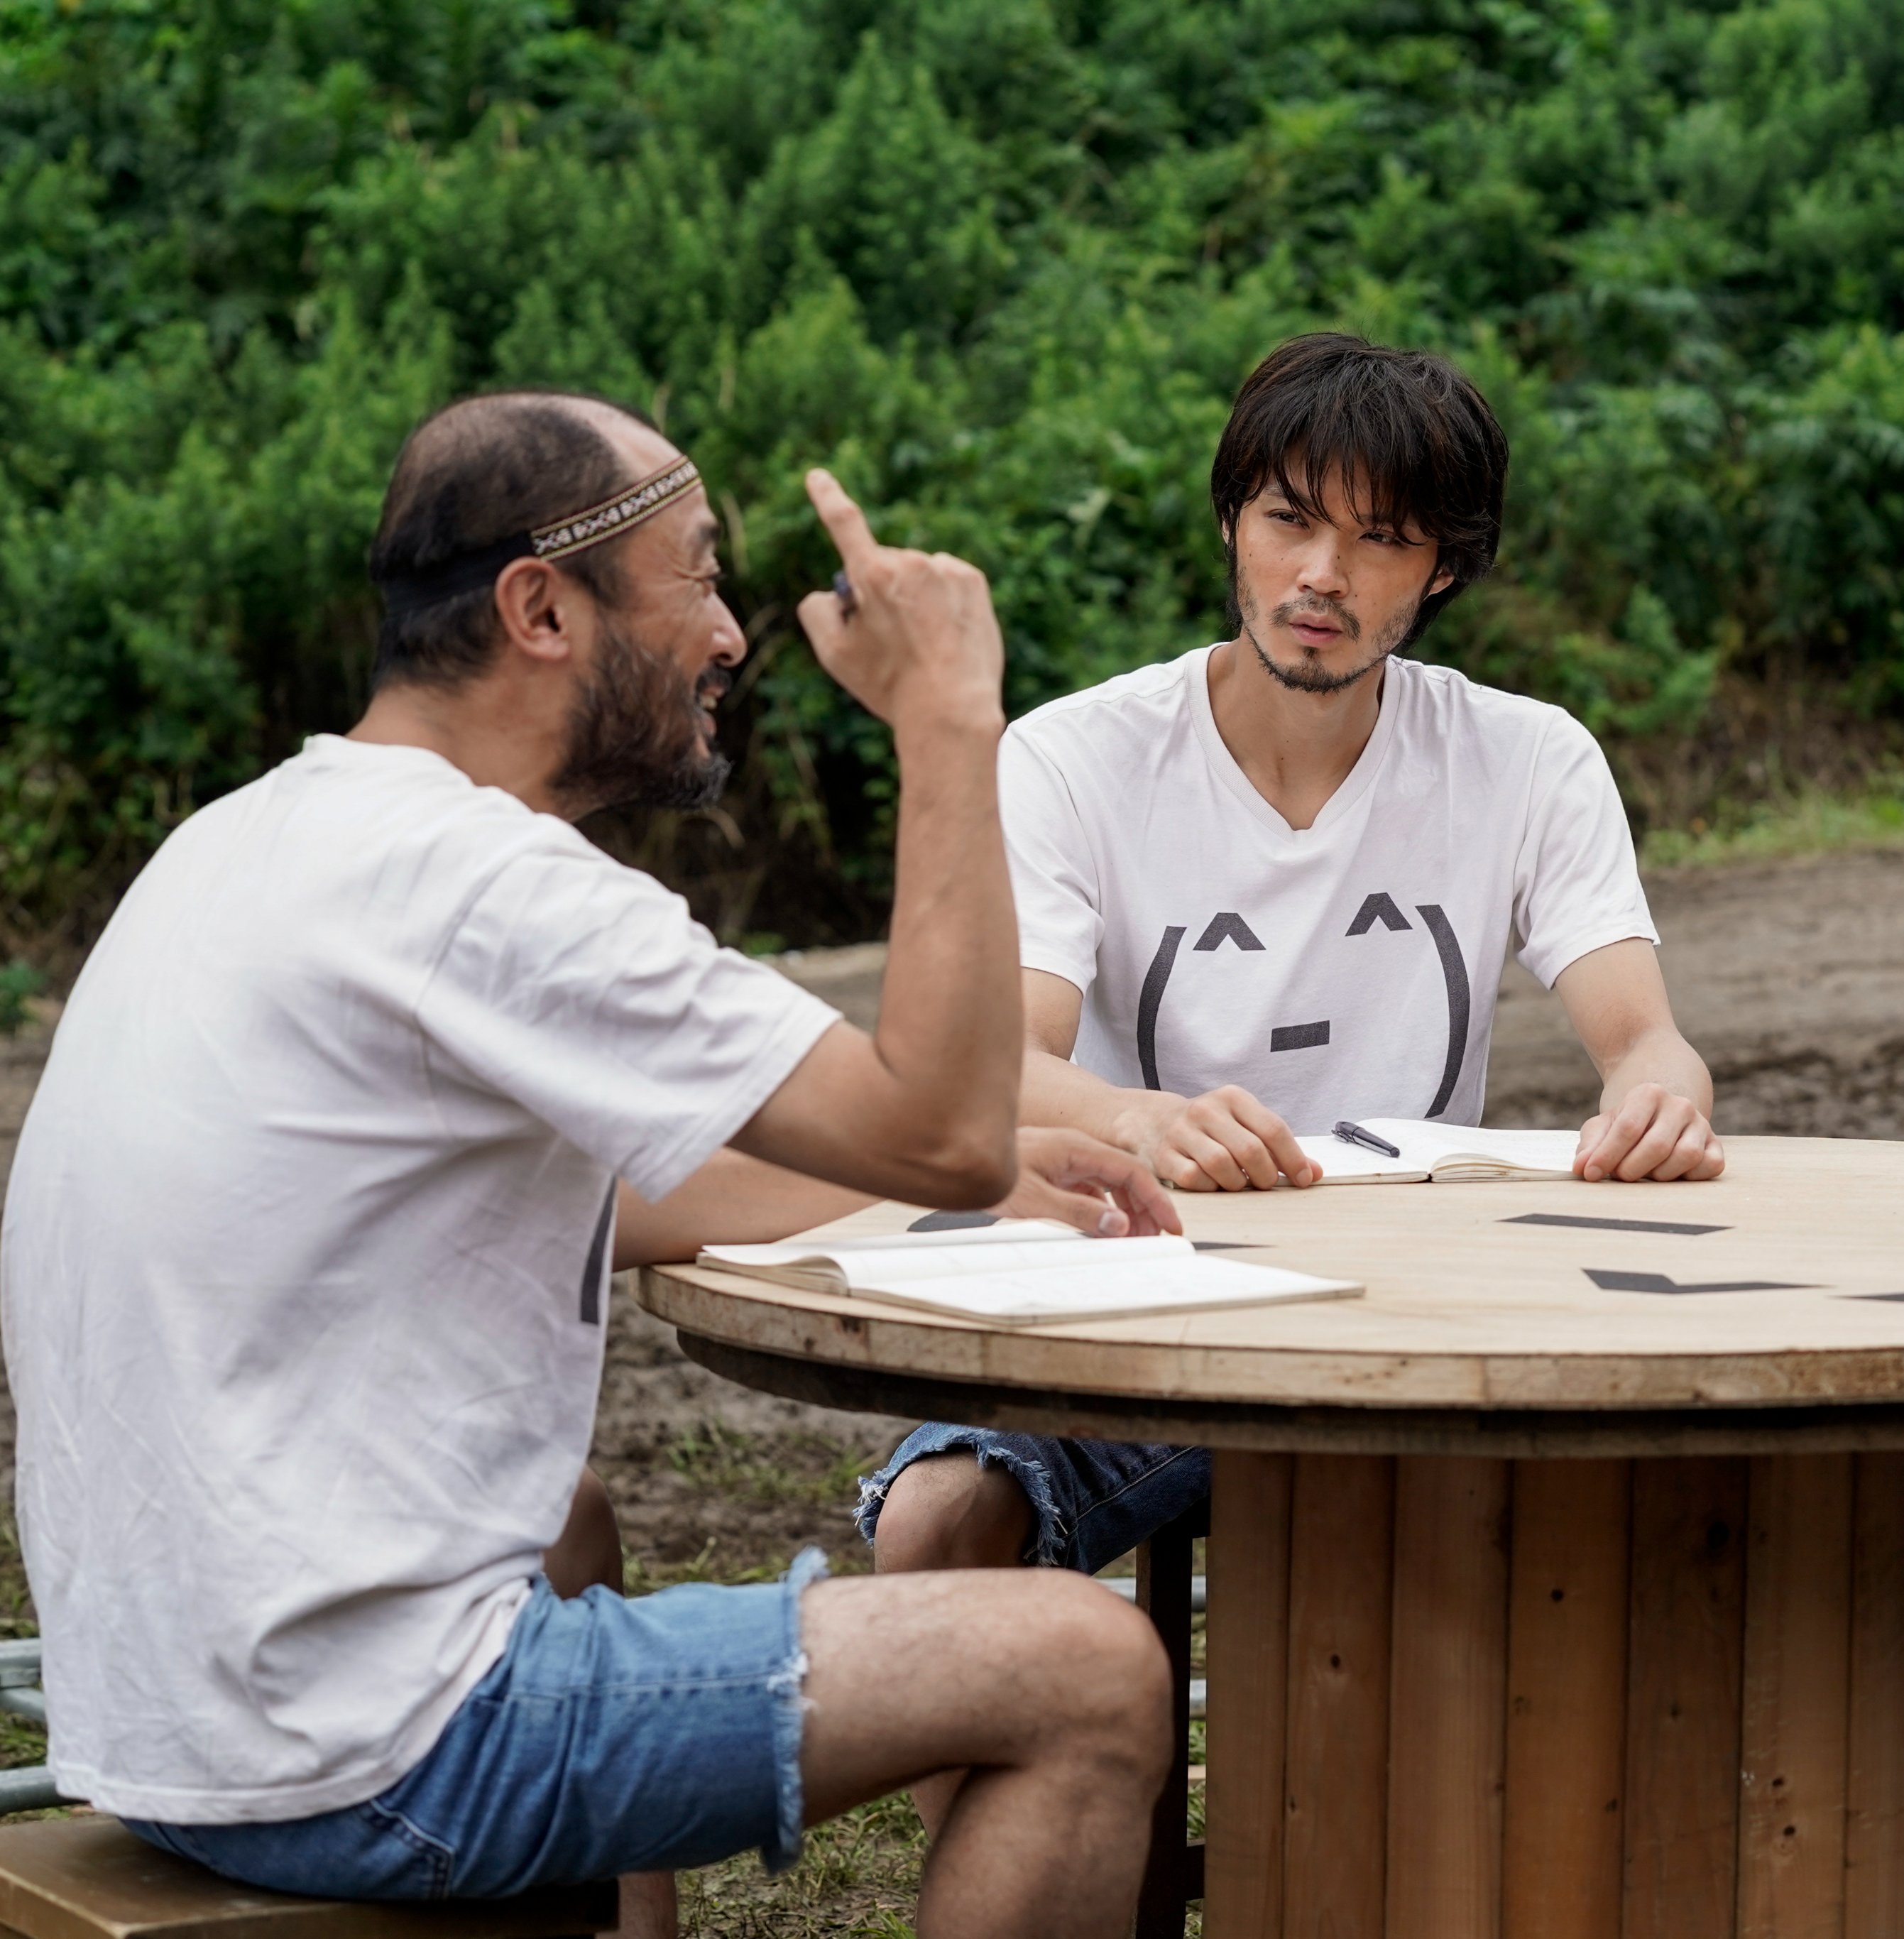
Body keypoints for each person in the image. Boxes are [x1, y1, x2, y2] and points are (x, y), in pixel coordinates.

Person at [1, 391, 1189, 1939]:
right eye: (698, 574)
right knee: (1087, 1670)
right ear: (542, 607)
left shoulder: (255, 837)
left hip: (166, 1716)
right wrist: (950, 720)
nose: (731, 636)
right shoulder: (487, 884)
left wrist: (980, 1173)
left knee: (563, 1522)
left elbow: (632, 1195)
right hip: (367, 1748)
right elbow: (942, 1125)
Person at [862, 332, 1723, 1589]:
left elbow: (1644, 1041)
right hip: (1148, 1303)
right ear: (1232, 522)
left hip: (1434, 1317)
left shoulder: (1529, 758)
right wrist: (1141, 1120)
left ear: (1442, 569)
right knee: (936, 1519)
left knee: (1678, 1490)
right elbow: (999, 1065)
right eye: (1289, 520)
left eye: (1382, 539)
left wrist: (1660, 1103)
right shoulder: (1072, 759)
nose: (1322, 575)